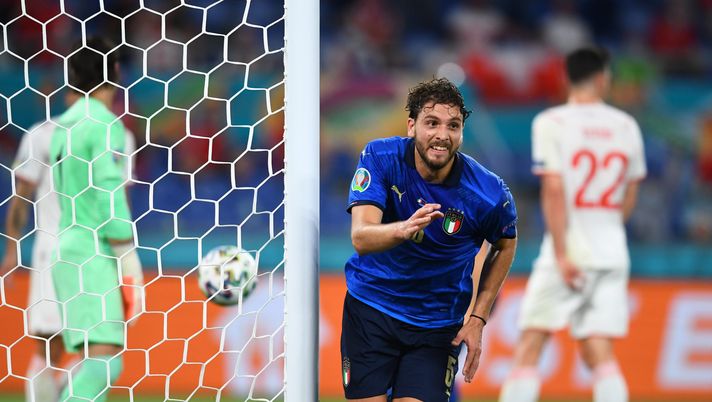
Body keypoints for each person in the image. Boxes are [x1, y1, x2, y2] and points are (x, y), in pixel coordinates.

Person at [341, 77, 518, 402]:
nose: (442, 135)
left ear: (462, 131)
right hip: (372, 309)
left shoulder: (489, 193)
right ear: (412, 126)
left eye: (453, 125)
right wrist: (402, 229)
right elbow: (361, 238)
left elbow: (506, 242)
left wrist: (478, 317)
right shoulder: (381, 157)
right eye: (432, 123)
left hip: (437, 324)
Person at [499, 47, 646, 402]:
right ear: (601, 78)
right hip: (611, 252)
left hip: (567, 250)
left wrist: (563, 253)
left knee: (531, 343)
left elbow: (553, 188)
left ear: (566, 78)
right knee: (599, 351)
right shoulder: (626, 126)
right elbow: (630, 192)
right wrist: (609, 230)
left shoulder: (551, 122)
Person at [1, 90, 135, 402]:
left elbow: (119, 201)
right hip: (53, 249)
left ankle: (66, 394)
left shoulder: (118, 134)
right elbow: (22, 193)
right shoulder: (42, 133)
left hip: (97, 253)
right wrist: (11, 248)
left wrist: (121, 252)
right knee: (50, 346)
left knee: (98, 347)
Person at [48, 36, 143, 402]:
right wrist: (126, 256)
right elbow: (108, 189)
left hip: (67, 248)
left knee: (92, 362)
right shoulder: (104, 123)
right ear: (116, 72)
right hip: (94, 251)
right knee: (105, 365)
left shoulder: (65, 124)